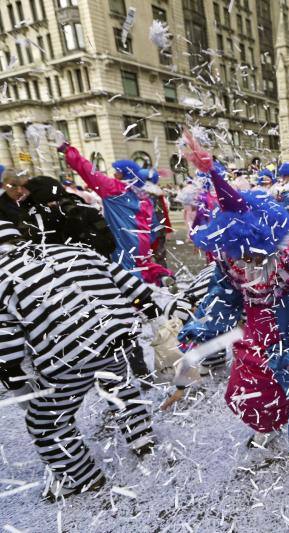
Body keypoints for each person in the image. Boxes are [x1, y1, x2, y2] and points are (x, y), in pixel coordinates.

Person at [174, 137, 289, 500]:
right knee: (246, 390)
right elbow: (222, 298)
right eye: (237, 258)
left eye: (254, 259)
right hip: (257, 331)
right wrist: (196, 339)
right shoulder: (232, 259)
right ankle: (269, 422)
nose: (246, 266)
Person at [0, 220, 159, 499]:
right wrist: (149, 306)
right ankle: (141, 436)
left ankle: (81, 477)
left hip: (68, 358)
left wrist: (10, 369)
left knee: (46, 422)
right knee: (119, 386)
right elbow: (126, 282)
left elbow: (7, 342)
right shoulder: (66, 250)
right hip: (115, 338)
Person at [59, 143, 170, 285]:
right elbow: (153, 223)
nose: (114, 174)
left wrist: (68, 151)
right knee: (142, 265)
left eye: (117, 172)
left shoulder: (114, 188)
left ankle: (139, 300)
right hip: (141, 241)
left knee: (127, 273)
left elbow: (88, 171)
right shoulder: (143, 195)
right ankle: (160, 284)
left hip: (124, 239)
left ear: (126, 174)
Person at [19, 175, 116, 258]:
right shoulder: (31, 218)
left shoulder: (84, 212)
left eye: (28, 193)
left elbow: (109, 244)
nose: (23, 196)